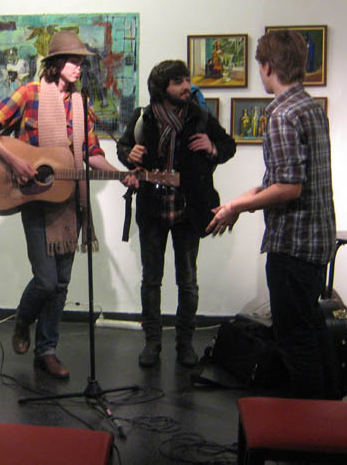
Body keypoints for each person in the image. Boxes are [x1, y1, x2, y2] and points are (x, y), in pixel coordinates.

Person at [0, 31, 130, 379]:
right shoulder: (29, 93)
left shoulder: (81, 104)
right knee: (45, 281)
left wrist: (122, 175)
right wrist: (15, 161)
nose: (79, 68)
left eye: (81, 62)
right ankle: (23, 319)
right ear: (56, 63)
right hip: (36, 200)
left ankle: (47, 351)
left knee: (61, 285)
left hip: (70, 203)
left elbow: (91, 154)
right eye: (74, 61)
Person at [206, 30, 339, 399]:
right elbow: (280, 180)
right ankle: (330, 414)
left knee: (295, 339)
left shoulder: (282, 114)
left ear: (267, 67)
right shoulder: (310, 107)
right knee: (311, 328)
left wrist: (237, 206)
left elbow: (289, 187)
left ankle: (309, 425)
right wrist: (236, 202)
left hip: (293, 245)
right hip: (317, 241)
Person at [116, 60, 236, 368]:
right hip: (153, 209)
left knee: (188, 281)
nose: (186, 86)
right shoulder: (143, 117)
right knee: (151, 280)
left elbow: (228, 145)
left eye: (186, 80)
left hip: (189, 210)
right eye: (178, 82)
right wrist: (129, 155)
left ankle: (185, 344)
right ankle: (152, 343)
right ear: (162, 88)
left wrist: (212, 147)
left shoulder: (200, 116)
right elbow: (124, 148)